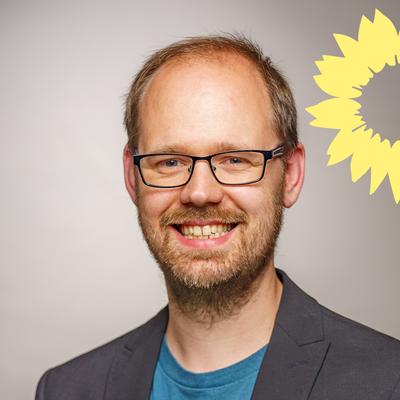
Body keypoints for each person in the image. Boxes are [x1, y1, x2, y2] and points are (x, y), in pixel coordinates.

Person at [35, 34, 400, 400]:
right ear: (132, 177)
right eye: (170, 162)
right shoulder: (66, 390)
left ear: (290, 174)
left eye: (235, 159)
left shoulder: (388, 382)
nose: (200, 193)